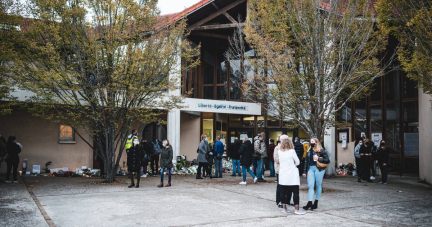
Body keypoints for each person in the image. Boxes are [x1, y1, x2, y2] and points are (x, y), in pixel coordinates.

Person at [278, 136, 305, 215]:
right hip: (292, 174)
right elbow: (298, 162)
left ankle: (284, 208)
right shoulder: (292, 151)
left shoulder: (280, 151)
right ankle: (297, 209)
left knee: (283, 192)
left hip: (283, 173)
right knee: (295, 192)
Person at [302, 138, 329, 211]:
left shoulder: (321, 150)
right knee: (310, 185)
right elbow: (306, 162)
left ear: (317, 143)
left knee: (318, 185)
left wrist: (318, 159)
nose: (311, 143)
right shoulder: (309, 151)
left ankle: (316, 202)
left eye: (313, 142)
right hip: (311, 168)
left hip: (319, 169)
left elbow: (327, 160)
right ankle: (309, 202)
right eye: (310, 142)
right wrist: (304, 171)